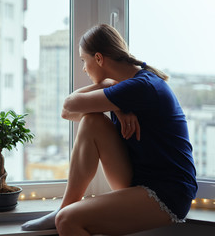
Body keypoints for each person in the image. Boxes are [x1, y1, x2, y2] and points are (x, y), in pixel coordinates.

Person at [21, 24, 198, 235]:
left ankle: (64, 210)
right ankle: (66, 204)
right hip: (138, 180)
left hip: (168, 192)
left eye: (83, 61)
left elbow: (69, 105)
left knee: (67, 220)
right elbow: (67, 113)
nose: (84, 69)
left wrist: (113, 97)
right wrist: (117, 103)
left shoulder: (141, 86)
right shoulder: (125, 89)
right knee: (92, 121)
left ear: (98, 58)